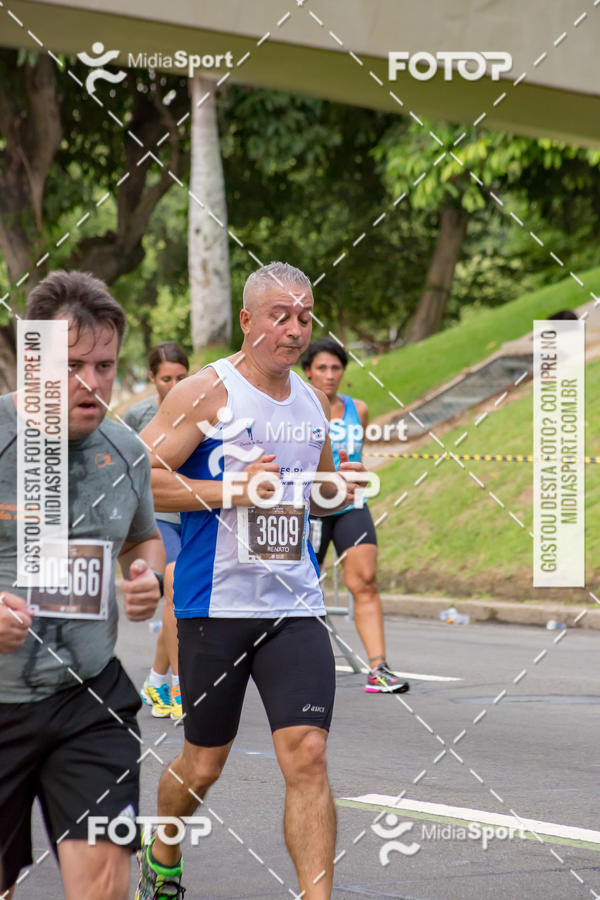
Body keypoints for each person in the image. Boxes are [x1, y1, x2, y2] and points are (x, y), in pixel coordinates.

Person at [135, 262, 364, 900]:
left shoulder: (312, 402)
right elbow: (143, 477)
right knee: (204, 764)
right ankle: (164, 849)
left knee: (308, 755)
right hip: (216, 605)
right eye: (279, 316)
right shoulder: (209, 391)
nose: (294, 330)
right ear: (247, 320)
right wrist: (230, 489)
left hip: (295, 604)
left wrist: (334, 489)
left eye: (304, 317)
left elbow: (316, 490)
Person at [0, 271, 165, 899]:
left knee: (102, 885)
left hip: (89, 703)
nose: (91, 383)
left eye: (104, 365)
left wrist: (146, 574)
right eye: (73, 365)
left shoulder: (126, 451)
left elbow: (141, 540)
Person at [302, 337, 409, 694]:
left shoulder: (357, 409)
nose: (330, 375)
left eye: (336, 368)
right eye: (322, 368)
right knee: (297, 587)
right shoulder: (298, 408)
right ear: (307, 372)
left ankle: (379, 668)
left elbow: (357, 456)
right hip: (309, 507)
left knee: (365, 580)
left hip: (350, 505)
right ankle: (282, 666)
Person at [125, 342, 189, 720]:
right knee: (177, 589)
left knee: (177, 602)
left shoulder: (203, 410)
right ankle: (182, 688)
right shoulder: (138, 415)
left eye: (182, 377)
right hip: (156, 520)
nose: (175, 384)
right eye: (167, 378)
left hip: (193, 517)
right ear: (152, 378)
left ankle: (156, 678)